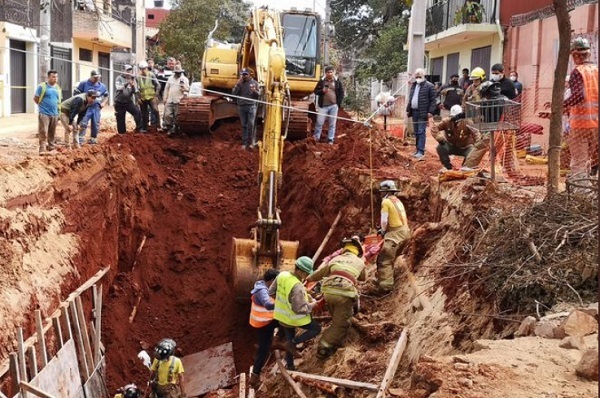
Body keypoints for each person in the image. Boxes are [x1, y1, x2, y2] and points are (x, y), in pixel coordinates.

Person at [305, 236, 366, 359]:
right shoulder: (360, 262)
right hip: (344, 293)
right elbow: (363, 278)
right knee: (342, 324)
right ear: (358, 251)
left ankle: (335, 329)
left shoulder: (336, 258)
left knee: (336, 315)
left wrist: (308, 279)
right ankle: (324, 347)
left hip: (328, 292)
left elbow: (320, 273)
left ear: (344, 249)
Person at [269, 256, 322, 370]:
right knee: (316, 329)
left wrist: (284, 302)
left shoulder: (282, 275)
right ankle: (294, 342)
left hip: (282, 317)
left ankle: (290, 366)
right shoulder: (297, 286)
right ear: (299, 270)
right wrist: (313, 305)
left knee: (289, 342)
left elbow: (271, 292)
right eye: (306, 273)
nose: (307, 275)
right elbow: (299, 308)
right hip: (293, 318)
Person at [563, 36, 598, 180]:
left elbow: (578, 95)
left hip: (580, 124)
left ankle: (580, 191)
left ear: (575, 55)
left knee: (579, 160)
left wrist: (561, 105)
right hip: (596, 123)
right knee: (594, 158)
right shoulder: (596, 70)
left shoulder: (578, 72)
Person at [461, 81, 507, 171]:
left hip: (494, 129)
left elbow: (473, 113)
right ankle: (508, 168)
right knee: (506, 150)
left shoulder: (488, 102)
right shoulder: (504, 98)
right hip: (506, 129)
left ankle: (468, 166)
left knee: (480, 146)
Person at [376, 180, 411, 292]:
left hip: (395, 235)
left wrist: (382, 230)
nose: (381, 194)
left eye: (382, 192)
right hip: (405, 233)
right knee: (391, 258)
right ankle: (387, 279)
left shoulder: (386, 202)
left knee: (384, 260)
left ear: (386, 192)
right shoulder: (397, 201)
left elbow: (384, 220)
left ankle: (385, 288)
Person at [249, 268, 280, 389]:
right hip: (263, 323)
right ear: (272, 280)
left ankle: (254, 377)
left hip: (265, 322)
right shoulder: (262, 290)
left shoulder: (266, 288)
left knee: (263, 350)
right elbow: (268, 304)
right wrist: (283, 303)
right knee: (287, 318)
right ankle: (279, 340)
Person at [430, 104, 479, 172]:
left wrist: (478, 145)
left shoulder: (468, 122)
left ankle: (465, 167)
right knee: (440, 148)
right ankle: (447, 167)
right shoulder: (447, 121)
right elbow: (434, 128)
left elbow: (476, 134)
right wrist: (439, 138)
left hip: (465, 147)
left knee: (473, 152)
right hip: (451, 145)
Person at [406, 68, 437, 160]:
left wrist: (430, 111)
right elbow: (411, 98)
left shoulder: (429, 86)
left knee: (421, 131)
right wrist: (409, 108)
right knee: (416, 132)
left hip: (422, 112)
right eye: (417, 76)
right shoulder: (414, 85)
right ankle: (417, 150)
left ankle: (421, 152)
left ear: (424, 76)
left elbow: (433, 100)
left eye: (420, 76)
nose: (418, 78)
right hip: (414, 111)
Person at [74, 70, 109, 145]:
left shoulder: (102, 86)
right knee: (83, 123)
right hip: (86, 108)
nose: (97, 79)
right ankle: (80, 139)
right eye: (95, 77)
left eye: (98, 77)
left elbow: (106, 96)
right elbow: (76, 93)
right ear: (91, 76)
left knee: (95, 124)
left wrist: (103, 103)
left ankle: (93, 139)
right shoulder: (84, 84)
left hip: (96, 108)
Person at [313, 66, 344, 145]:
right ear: (325, 73)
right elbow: (315, 91)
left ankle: (330, 139)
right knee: (319, 122)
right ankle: (316, 138)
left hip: (333, 106)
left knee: (332, 123)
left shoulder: (337, 82)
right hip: (323, 106)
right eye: (328, 72)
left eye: (331, 72)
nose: (329, 74)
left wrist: (338, 103)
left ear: (333, 73)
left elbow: (341, 93)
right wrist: (322, 91)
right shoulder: (322, 81)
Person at [33, 70, 61, 155]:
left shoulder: (58, 88)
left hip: (55, 114)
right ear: (48, 77)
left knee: (52, 132)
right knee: (43, 131)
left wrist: (58, 113)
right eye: (53, 77)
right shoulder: (42, 86)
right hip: (44, 113)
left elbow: (58, 101)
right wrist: (42, 107)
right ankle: (42, 149)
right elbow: (36, 98)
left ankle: (51, 147)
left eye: (56, 77)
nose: (55, 79)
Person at [232, 68, 260, 149]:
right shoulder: (239, 84)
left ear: (249, 74)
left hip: (251, 106)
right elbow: (234, 93)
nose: (244, 76)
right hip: (241, 106)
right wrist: (237, 85)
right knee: (244, 125)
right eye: (243, 75)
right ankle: (244, 143)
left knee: (251, 124)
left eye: (246, 74)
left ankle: (252, 142)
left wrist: (254, 91)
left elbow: (260, 96)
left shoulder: (255, 83)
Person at [114, 64, 142, 135]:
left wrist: (133, 86)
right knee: (120, 117)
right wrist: (127, 83)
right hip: (119, 102)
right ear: (123, 71)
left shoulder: (133, 79)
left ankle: (139, 128)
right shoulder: (119, 78)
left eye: (130, 70)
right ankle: (122, 133)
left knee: (137, 112)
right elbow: (119, 87)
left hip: (128, 101)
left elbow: (135, 91)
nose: (129, 72)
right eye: (127, 70)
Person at [163, 65, 190, 136]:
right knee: (167, 115)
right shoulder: (170, 79)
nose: (178, 74)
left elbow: (187, 90)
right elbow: (166, 88)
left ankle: (176, 129)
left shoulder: (185, 79)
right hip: (170, 99)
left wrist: (184, 89)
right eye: (177, 72)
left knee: (177, 116)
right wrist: (165, 97)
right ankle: (169, 128)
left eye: (179, 72)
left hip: (179, 100)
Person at [136, 60, 161, 132]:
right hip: (143, 98)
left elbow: (158, 85)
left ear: (147, 68)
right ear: (140, 69)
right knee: (144, 113)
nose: (143, 70)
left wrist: (156, 95)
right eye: (142, 69)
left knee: (155, 110)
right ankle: (145, 128)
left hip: (152, 97)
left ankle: (158, 126)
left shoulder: (151, 75)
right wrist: (138, 98)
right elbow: (136, 89)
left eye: (144, 68)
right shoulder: (137, 77)